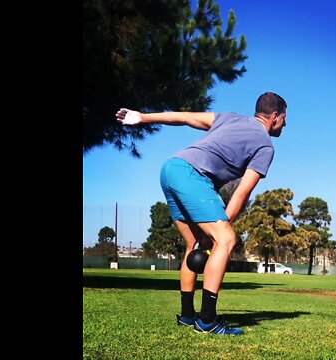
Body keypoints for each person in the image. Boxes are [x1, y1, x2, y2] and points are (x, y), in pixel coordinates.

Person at [115, 92, 287, 335]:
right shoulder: (265, 145)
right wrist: (222, 230)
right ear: (275, 116)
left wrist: (142, 117)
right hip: (191, 175)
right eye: (284, 118)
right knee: (226, 239)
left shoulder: (230, 118)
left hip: (171, 167)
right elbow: (241, 193)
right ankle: (207, 320)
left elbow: (187, 117)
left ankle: (187, 315)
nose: (285, 124)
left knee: (194, 245)